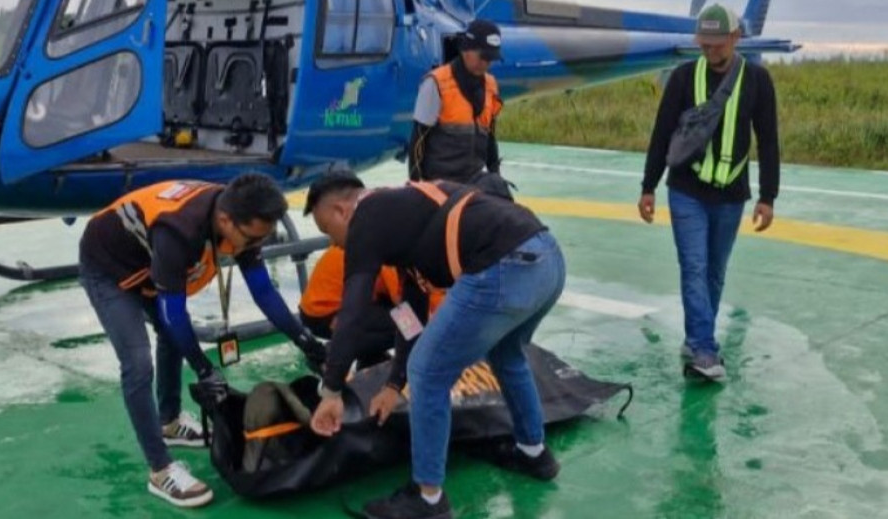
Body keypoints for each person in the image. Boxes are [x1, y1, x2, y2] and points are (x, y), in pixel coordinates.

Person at [305, 171, 565, 519]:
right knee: (507, 354)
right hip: (548, 260)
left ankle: (427, 498)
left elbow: (352, 310)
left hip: (505, 265)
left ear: (341, 210)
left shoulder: (366, 216)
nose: (334, 244)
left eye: (327, 232)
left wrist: (332, 389)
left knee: (428, 373)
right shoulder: (405, 215)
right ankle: (534, 454)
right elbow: (409, 316)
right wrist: (394, 384)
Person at [78, 173, 327, 509]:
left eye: (261, 240)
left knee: (172, 337)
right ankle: (160, 469)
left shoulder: (240, 221)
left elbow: (263, 291)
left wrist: (305, 341)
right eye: (252, 239)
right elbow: (173, 311)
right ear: (226, 220)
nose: (255, 248)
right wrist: (204, 369)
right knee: (137, 362)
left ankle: (170, 420)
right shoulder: (179, 231)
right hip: (109, 267)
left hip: (148, 263)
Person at [638, 3, 780, 382]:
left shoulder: (758, 81)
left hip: (732, 195)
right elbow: (661, 132)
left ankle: (696, 337)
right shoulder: (684, 78)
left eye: (718, 43)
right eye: (705, 43)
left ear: (735, 39)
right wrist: (648, 186)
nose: (711, 50)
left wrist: (768, 196)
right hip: (687, 190)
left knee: (714, 272)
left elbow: (768, 141)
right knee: (694, 266)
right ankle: (704, 350)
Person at [299, 246, 443, 368]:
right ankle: (331, 353)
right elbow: (403, 303)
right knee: (408, 328)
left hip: (322, 305)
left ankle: (369, 360)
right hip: (325, 312)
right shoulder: (393, 253)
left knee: (403, 319)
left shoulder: (382, 238)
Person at [408, 19, 504, 183]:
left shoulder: (491, 86)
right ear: (466, 50)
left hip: (474, 180)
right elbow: (418, 139)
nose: (486, 64)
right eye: (483, 57)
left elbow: (490, 137)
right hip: (439, 182)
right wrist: (416, 184)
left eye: (491, 59)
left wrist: (495, 175)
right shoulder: (436, 83)